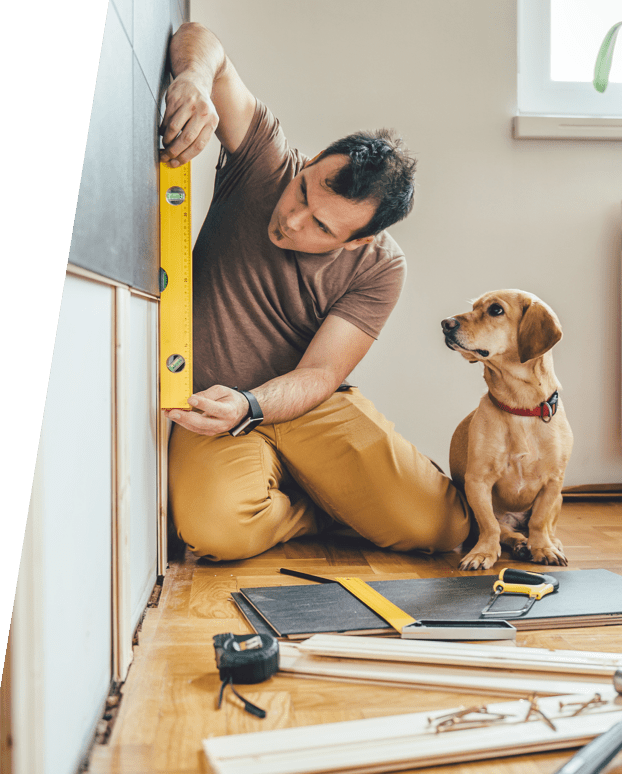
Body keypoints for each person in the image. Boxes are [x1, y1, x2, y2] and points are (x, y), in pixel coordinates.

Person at [159, 22, 470, 561]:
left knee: (441, 529)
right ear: (309, 164)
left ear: (358, 241)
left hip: (301, 403)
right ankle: (320, 507)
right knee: (215, 533)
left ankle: (332, 494)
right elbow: (202, 40)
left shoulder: (381, 267)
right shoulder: (266, 162)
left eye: (322, 228)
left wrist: (254, 404)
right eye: (304, 190)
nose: (292, 219)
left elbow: (322, 373)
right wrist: (193, 75)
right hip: (210, 404)